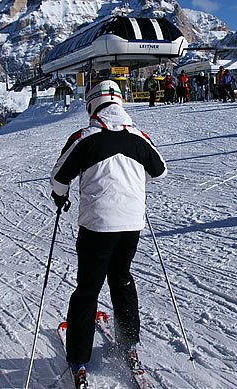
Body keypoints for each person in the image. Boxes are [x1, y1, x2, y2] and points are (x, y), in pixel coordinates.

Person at [50, 80, 167, 389]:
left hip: (97, 226)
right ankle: (129, 344)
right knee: (122, 278)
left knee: (88, 288)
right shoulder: (138, 136)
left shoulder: (85, 137)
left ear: (93, 104)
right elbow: (160, 170)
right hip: (131, 225)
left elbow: (59, 178)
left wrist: (60, 198)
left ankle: (78, 358)